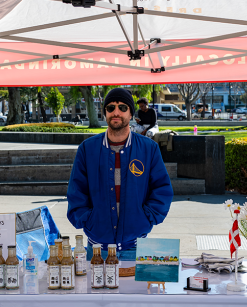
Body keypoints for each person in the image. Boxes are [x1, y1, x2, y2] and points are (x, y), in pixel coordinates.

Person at [67, 88, 173, 261]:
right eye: (110, 108)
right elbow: (76, 192)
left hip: (136, 247)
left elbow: (162, 189)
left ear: (131, 113)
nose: (116, 112)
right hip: (96, 249)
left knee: (136, 290)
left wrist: (145, 219)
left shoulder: (149, 149)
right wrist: (88, 219)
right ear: (105, 113)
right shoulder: (87, 149)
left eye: (123, 107)